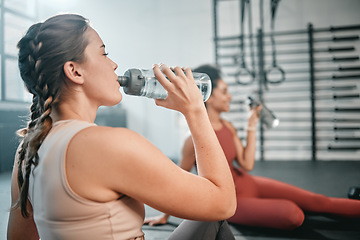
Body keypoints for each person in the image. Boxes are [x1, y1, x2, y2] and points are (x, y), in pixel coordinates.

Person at [7, 14, 237, 240]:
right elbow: (223, 203)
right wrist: (195, 111)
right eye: (104, 53)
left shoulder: (27, 150)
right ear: (75, 71)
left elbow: (20, 236)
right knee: (214, 215)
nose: (114, 63)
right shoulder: (109, 144)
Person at [144, 64, 360, 230]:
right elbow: (180, 180)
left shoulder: (228, 126)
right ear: (207, 95)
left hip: (249, 182)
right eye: (225, 91)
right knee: (294, 215)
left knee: (317, 201)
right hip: (232, 201)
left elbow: (246, 164)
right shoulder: (192, 140)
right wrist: (164, 216)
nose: (230, 96)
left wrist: (251, 125)